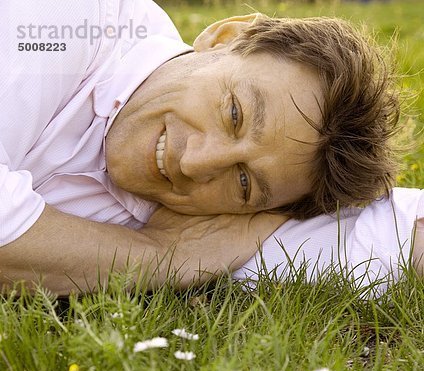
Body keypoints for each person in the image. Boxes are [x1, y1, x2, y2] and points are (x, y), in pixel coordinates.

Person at [0, 0, 422, 294]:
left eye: (243, 182)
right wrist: (161, 255)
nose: (195, 162)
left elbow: (383, 238)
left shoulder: (206, 217)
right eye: (234, 114)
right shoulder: (71, 18)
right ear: (225, 37)